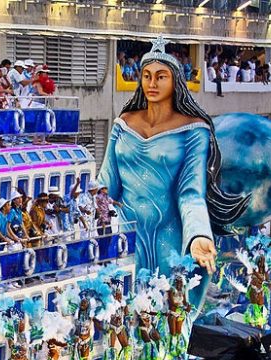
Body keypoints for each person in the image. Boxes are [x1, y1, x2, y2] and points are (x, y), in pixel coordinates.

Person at [98, 37, 250, 307]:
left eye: (160, 77)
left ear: (175, 81)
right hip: (125, 233)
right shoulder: (123, 123)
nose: (152, 83)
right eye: (146, 76)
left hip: (168, 236)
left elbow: (190, 191)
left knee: (163, 317)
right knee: (117, 314)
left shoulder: (194, 130)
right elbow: (106, 184)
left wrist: (199, 234)